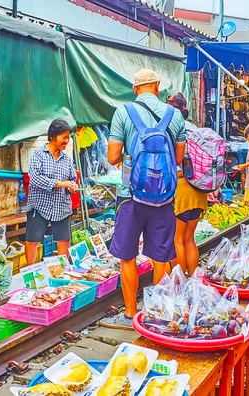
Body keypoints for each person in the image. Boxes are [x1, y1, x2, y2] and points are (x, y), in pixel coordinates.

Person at [100, 69, 186, 330]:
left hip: (130, 196)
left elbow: (113, 157)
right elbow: (179, 160)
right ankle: (156, 313)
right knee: (160, 256)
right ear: (157, 87)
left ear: (135, 89)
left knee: (127, 256)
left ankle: (129, 314)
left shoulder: (123, 112)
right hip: (164, 198)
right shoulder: (175, 115)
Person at [25, 119, 78, 264]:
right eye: (64, 137)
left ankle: (61, 272)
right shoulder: (38, 155)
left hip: (61, 206)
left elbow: (72, 178)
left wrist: (72, 186)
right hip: (40, 205)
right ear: (52, 136)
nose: (67, 141)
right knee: (33, 241)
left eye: (68, 137)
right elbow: (35, 178)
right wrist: (60, 184)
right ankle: (31, 271)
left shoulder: (66, 159)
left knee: (64, 241)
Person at [167, 93, 207, 277]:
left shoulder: (171, 129)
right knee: (190, 239)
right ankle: (193, 280)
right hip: (199, 189)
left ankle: (180, 283)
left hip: (181, 188)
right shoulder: (195, 129)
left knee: (177, 240)